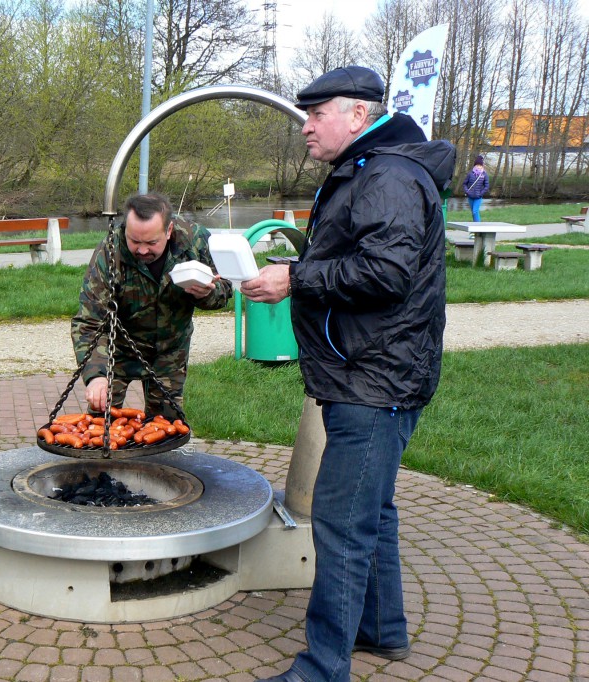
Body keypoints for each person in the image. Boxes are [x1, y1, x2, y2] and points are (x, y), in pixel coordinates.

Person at [242, 66, 455, 682]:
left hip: (374, 380)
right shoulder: (369, 168)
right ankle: (382, 631)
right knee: (374, 510)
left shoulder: (387, 174)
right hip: (366, 372)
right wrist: (296, 267)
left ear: (357, 115)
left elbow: (384, 275)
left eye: (316, 115)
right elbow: (354, 257)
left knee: (341, 524)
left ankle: (322, 668)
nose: (305, 128)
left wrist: (296, 278)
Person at [71, 193, 231, 418]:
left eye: (151, 242)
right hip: (117, 350)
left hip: (170, 351)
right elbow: (88, 321)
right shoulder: (109, 252)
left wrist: (207, 294)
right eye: (135, 241)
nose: (143, 250)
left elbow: (225, 288)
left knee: (166, 426)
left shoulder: (195, 241)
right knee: (101, 423)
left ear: (168, 230)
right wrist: (96, 375)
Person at [463, 154, 490, 221]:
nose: (479, 167)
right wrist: (467, 191)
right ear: (475, 165)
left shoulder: (484, 174)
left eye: (480, 165)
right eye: (477, 165)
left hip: (478, 197)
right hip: (470, 196)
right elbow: (464, 184)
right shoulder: (470, 174)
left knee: (475, 211)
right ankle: (475, 229)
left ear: (482, 166)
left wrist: (481, 194)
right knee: (473, 213)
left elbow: (486, 186)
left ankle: (478, 228)